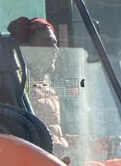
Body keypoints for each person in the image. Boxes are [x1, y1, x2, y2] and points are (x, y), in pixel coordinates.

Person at [7, 16, 72, 153]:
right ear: (25, 47)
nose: (55, 50)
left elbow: (53, 134)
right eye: (47, 43)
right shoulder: (18, 87)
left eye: (55, 43)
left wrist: (88, 142)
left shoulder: (45, 85)